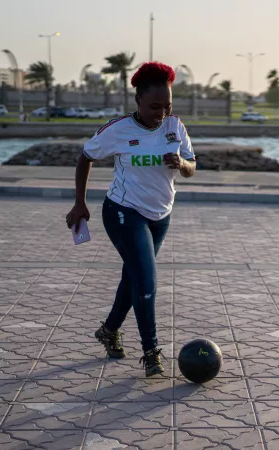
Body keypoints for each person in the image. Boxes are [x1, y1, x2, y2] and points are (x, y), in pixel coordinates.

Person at [65, 62, 196, 377]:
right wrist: (80, 202)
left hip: (160, 215)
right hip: (123, 211)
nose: (161, 113)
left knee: (133, 277)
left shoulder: (175, 126)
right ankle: (151, 351)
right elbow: (86, 157)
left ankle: (109, 330)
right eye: (154, 106)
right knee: (146, 281)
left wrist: (181, 163)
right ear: (137, 101)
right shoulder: (119, 129)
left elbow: (192, 166)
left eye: (167, 106)